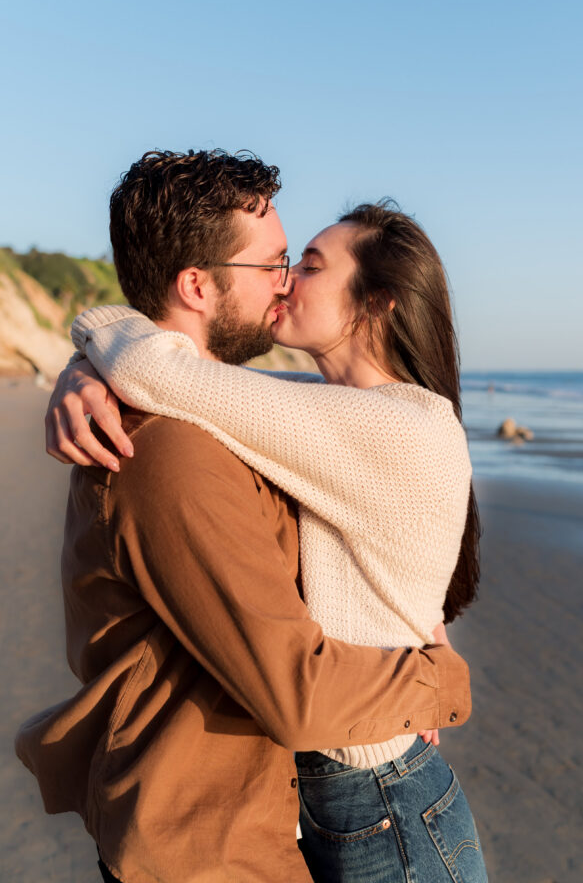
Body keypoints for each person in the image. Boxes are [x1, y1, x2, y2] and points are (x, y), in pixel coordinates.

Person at [15, 150, 474, 883]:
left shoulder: (376, 427)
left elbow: (161, 369)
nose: (286, 281)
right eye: (277, 264)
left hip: (370, 789)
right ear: (197, 284)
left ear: (378, 301)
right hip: (235, 823)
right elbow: (166, 373)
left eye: (305, 264)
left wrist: (91, 350)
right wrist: (439, 680)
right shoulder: (194, 443)